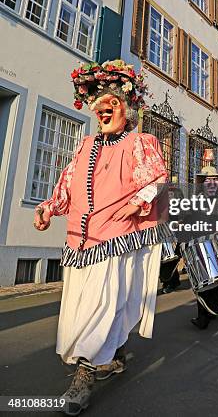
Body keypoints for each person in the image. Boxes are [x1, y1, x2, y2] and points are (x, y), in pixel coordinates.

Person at [33, 59, 170, 416]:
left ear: (126, 107)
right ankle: (114, 351)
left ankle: (85, 373)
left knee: (102, 303)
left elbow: (156, 178)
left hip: (116, 235)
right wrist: (49, 208)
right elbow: (67, 183)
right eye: (99, 107)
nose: (104, 110)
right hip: (79, 238)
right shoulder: (85, 145)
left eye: (111, 104)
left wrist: (138, 201)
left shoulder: (141, 142)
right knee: (83, 304)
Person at [187, 152, 218, 330]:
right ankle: (203, 317)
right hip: (201, 247)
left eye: (214, 180)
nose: (211, 184)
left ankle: (213, 307)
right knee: (203, 284)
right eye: (207, 181)